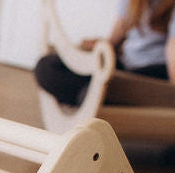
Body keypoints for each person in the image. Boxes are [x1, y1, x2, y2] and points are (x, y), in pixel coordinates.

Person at [35, 0, 175, 107]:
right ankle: (95, 96)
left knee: (101, 87)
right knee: (47, 66)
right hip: (126, 64)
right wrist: (101, 46)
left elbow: (172, 49)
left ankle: (93, 96)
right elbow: (121, 27)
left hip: (155, 72)